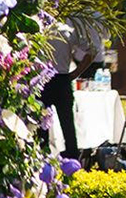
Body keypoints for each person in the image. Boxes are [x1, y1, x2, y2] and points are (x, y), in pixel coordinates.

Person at [42, 11, 109, 160]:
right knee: (67, 123)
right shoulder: (66, 27)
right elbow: (92, 50)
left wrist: (75, 73)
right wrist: (76, 73)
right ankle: (71, 156)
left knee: (45, 124)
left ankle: (43, 155)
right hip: (61, 78)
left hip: (49, 78)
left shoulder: (45, 26)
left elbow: (92, 50)